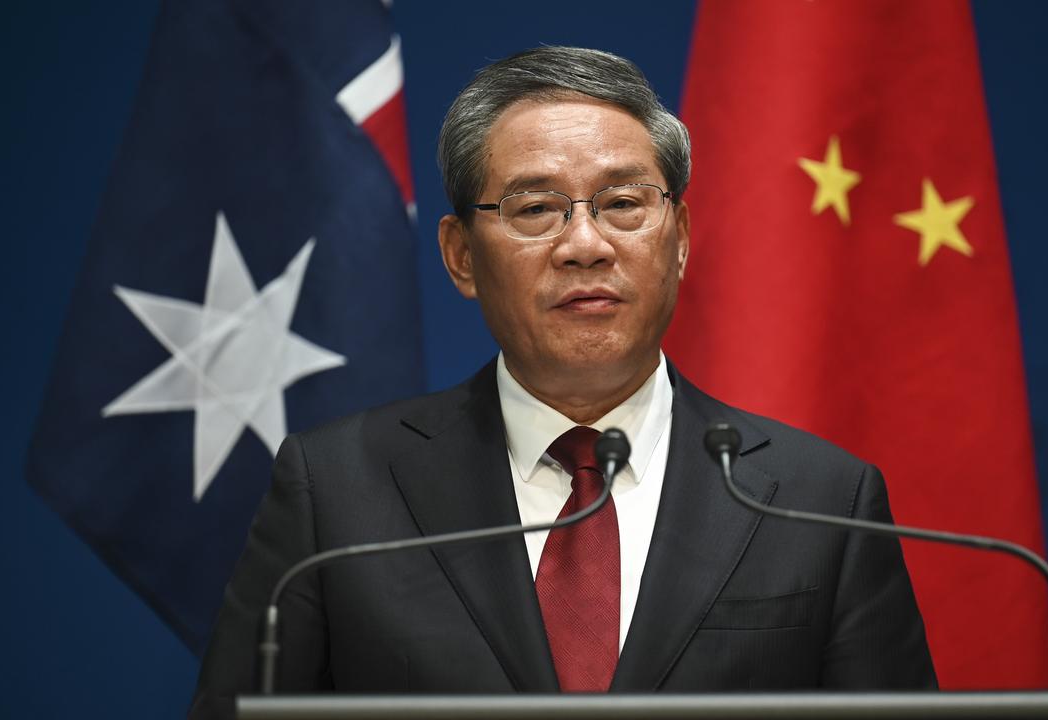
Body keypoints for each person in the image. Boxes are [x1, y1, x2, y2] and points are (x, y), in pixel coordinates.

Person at [189, 46, 934, 718]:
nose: (585, 245)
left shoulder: (823, 504)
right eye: (536, 209)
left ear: (679, 239)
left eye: (623, 204)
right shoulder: (337, 493)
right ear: (461, 257)